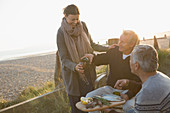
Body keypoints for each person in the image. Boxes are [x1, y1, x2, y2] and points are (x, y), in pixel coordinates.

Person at [57, 4, 113, 113]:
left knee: (91, 105)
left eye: (77, 19)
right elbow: (63, 59)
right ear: (65, 16)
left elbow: (92, 44)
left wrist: (108, 48)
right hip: (73, 76)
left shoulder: (83, 26)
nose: (75, 22)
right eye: (72, 19)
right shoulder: (60, 33)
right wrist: (75, 66)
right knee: (77, 107)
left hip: (88, 72)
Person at [84, 30, 142, 113]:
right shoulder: (114, 51)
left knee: (128, 107)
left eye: (122, 42)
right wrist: (92, 57)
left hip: (129, 91)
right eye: (119, 41)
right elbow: (102, 58)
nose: (119, 44)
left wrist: (129, 94)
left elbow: (141, 83)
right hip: (110, 88)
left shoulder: (138, 58)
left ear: (131, 44)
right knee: (89, 97)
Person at [112, 45, 170, 113]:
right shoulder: (161, 76)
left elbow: (148, 93)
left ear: (136, 66)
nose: (129, 62)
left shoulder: (146, 94)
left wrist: (109, 111)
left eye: (130, 59)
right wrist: (128, 83)